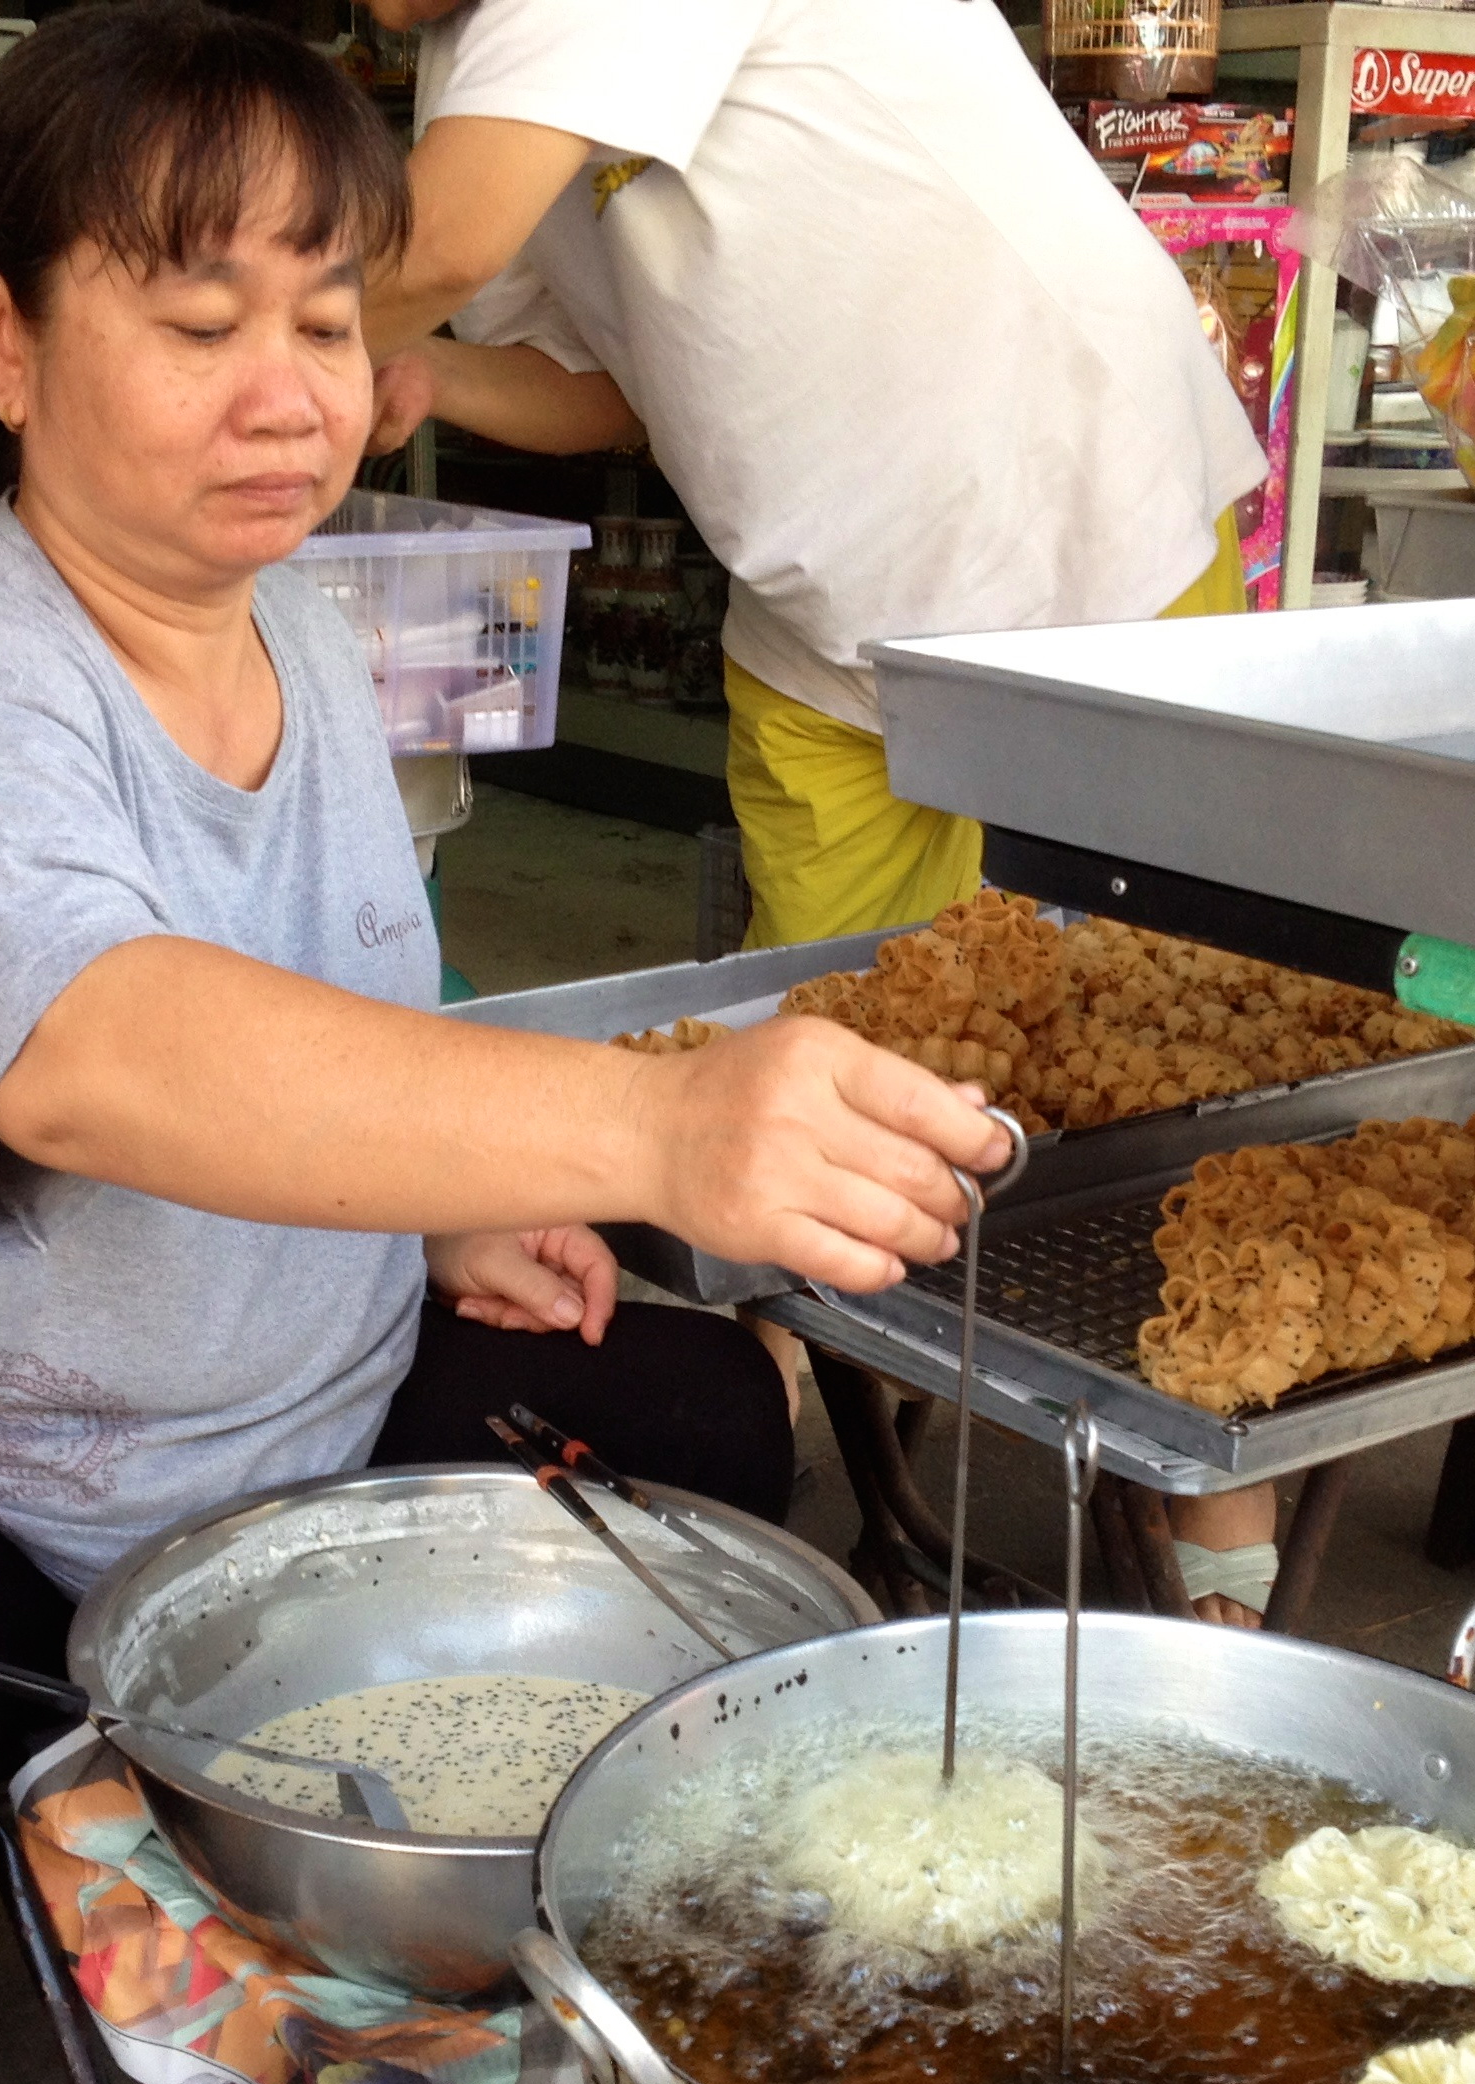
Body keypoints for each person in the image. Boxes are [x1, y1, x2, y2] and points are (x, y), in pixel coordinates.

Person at [0, 0, 1009, 2084]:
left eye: (330, 318)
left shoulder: (302, 637)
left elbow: (318, 1018)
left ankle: (341, 1901)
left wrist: (444, 1221)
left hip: (276, 1398)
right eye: (198, 317)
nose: (289, 388)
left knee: (698, 1428)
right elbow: (106, 1052)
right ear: (6, 343)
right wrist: (655, 1121)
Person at [358, 0, 1280, 1612]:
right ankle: (826, 1444)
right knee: (829, 1039)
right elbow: (610, 389)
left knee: (1162, 1046)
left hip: (1072, 536)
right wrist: (415, 376)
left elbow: (433, 238)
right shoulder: (466, 66)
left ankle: (1221, 1540)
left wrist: (166, 329)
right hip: (815, 607)